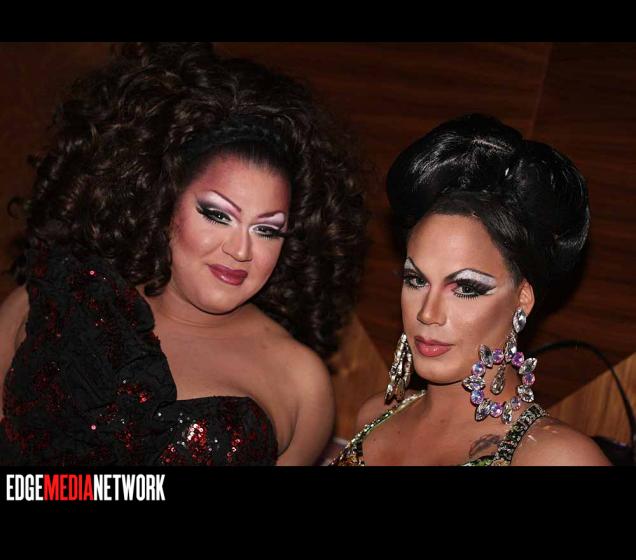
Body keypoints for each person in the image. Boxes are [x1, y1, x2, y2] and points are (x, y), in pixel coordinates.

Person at [0, 42, 367, 466]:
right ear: (163, 199)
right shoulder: (50, 302)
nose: (241, 250)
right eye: (217, 214)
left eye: (266, 230)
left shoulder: (302, 384)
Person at [331, 113, 611, 466]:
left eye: (465, 287)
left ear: (522, 299)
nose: (427, 313)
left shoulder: (557, 457)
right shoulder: (373, 417)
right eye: (416, 280)